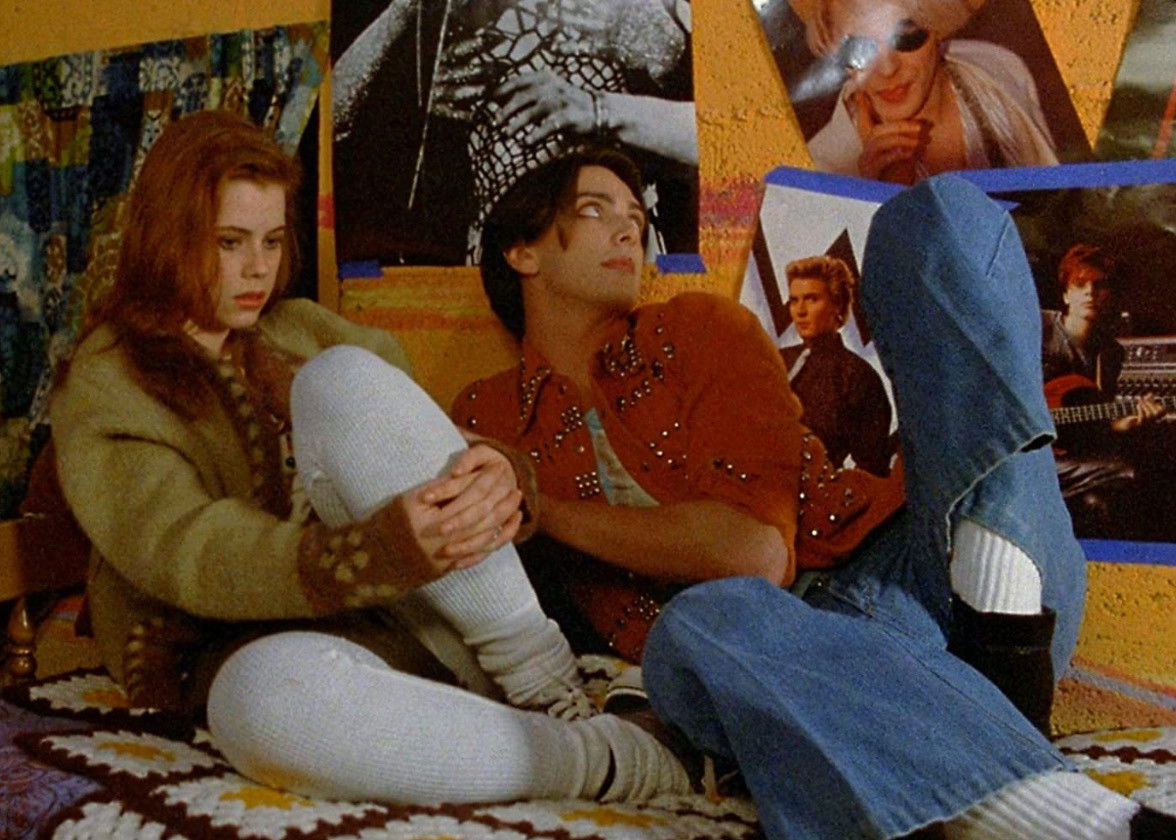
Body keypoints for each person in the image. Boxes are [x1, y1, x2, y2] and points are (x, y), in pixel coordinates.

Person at [453, 148, 1171, 839]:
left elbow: (754, 552)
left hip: (929, 568)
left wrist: (542, 511)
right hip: (794, 662)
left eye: (636, 219)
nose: (627, 230)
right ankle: (1076, 803)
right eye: (594, 209)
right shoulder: (481, 419)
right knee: (701, 623)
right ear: (521, 251)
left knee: (938, 215)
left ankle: (995, 653)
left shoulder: (699, 327)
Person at [48, 109, 692, 808]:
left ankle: (546, 681)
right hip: (243, 650)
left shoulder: (302, 330)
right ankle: (602, 758)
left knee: (342, 378)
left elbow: (412, 441)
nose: (258, 267)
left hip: (424, 623)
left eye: (271, 240)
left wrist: (504, 472)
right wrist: (372, 552)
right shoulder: (111, 377)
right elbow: (185, 548)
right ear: (168, 236)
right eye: (229, 242)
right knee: (264, 707)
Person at [332, 0, 697, 263]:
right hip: (498, 262)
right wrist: (405, 9)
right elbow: (331, 123)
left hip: (604, 246)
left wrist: (597, 108)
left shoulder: (619, 12)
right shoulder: (443, 19)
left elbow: (708, 135)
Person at [792, 0, 1058, 184]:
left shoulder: (1002, 71)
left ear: (936, 26)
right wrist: (880, 200)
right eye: (859, 49)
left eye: (905, 36)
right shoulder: (821, 171)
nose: (886, 69)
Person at [1041, 243, 1166, 536]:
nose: (1090, 293)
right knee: (1123, 472)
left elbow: (1093, 422)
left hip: (1063, 454)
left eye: (1099, 286)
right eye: (1080, 284)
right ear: (1065, 295)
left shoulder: (1110, 354)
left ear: (1111, 297)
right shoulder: (1038, 327)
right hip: (1019, 448)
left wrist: (1122, 424)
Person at [780, 254, 894, 476]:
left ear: (837, 305)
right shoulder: (776, 359)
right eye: (794, 300)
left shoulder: (858, 377)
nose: (800, 311)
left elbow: (872, 470)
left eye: (812, 299)